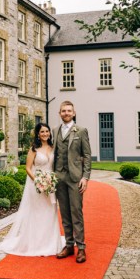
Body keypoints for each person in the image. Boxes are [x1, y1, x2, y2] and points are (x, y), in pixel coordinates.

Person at [0, 123, 65, 256]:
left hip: (50, 185)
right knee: (37, 214)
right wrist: (38, 182)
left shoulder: (53, 147)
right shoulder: (34, 149)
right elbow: (27, 168)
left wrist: (50, 182)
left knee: (51, 212)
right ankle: (35, 244)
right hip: (36, 185)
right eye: (42, 132)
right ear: (38, 134)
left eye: (47, 131)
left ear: (50, 133)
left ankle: (50, 242)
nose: (45, 134)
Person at [53, 100, 91, 263]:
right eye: (63, 111)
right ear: (59, 113)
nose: (66, 113)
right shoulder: (55, 131)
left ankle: (81, 248)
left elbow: (87, 155)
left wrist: (85, 177)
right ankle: (69, 245)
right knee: (65, 213)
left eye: (69, 111)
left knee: (76, 212)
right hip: (59, 176)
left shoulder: (81, 131)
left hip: (75, 177)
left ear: (74, 113)